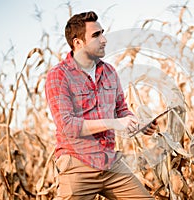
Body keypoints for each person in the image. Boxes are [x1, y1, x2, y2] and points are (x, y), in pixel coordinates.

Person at [45, 11, 158, 199]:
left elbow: (122, 110)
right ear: (78, 43)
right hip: (77, 164)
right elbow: (68, 126)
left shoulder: (109, 72)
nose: (104, 39)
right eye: (96, 35)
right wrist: (111, 123)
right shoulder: (58, 75)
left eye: (102, 33)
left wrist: (137, 125)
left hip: (110, 163)